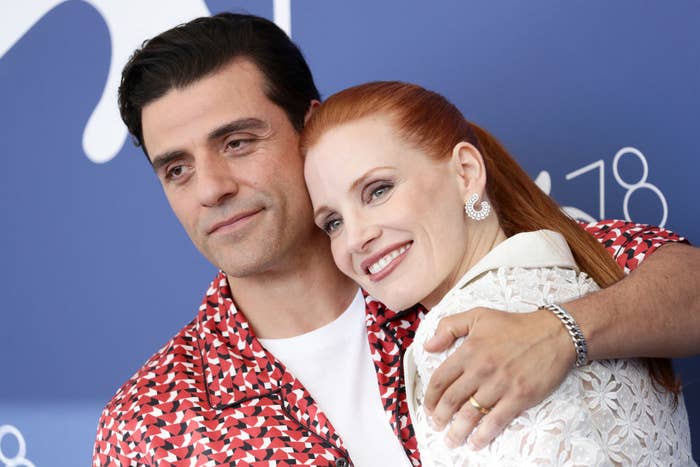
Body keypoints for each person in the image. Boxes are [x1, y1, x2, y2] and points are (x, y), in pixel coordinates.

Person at [94, 12, 700, 465]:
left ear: (311, 128)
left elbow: (684, 283)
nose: (210, 189)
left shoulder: (462, 254)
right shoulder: (152, 421)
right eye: (177, 169)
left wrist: (563, 332)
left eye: (237, 142)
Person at [300, 81, 693, 465]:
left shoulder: (460, 344)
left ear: (466, 173)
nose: (354, 238)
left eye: (378, 190)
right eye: (333, 222)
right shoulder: (589, 271)